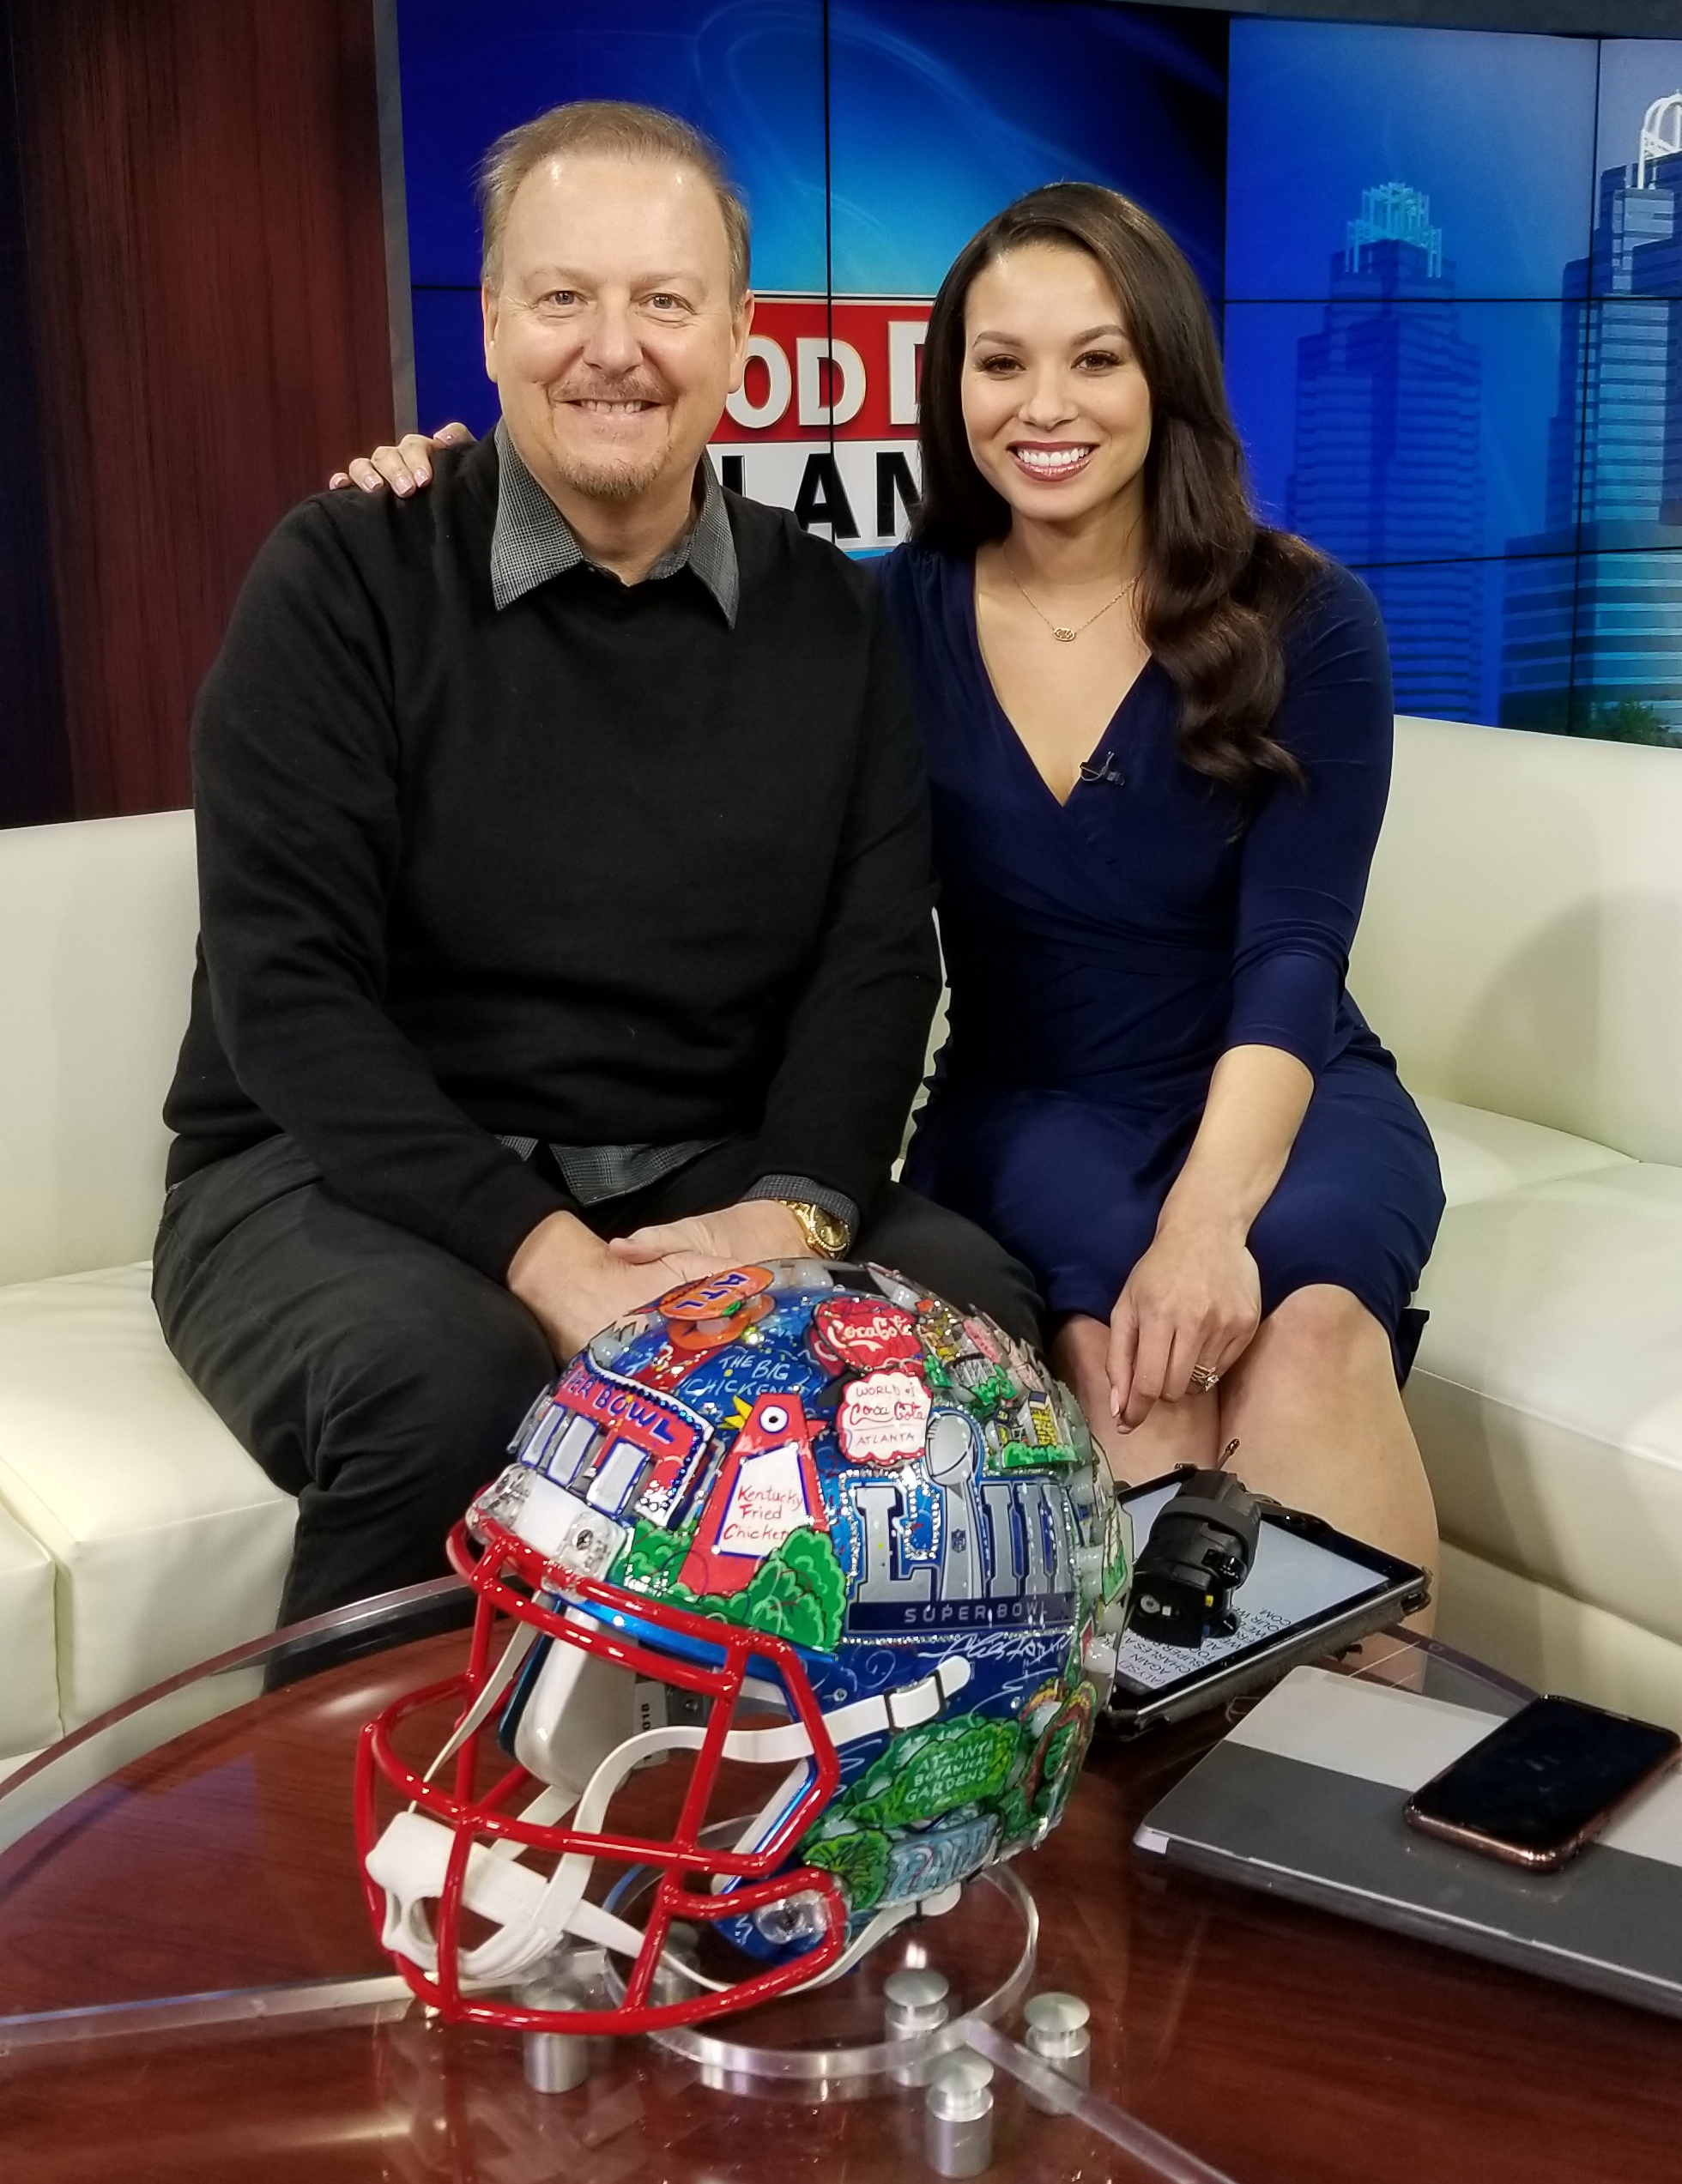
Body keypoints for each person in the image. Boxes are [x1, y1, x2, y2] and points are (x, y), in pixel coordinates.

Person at [344, 182, 1443, 1587]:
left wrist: (1208, 1223)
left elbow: (1296, 949)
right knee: (1128, 1371)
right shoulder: (871, 617)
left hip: (1281, 1095)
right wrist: (451, 484)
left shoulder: (1308, 619)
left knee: (1315, 1332)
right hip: (1031, 1108)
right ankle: (1156, 1769)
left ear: (1165, 373)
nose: (1046, 405)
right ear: (954, 386)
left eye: (1097, 358)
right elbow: (619, 595)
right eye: (1002, 363)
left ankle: (1352, 1789)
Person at [154, 100, 1037, 1631]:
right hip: (332, 1177)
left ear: (742, 336)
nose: (611, 346)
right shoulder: (344, 577)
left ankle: (812, 1823)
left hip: (692, 1160)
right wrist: (544, 1257)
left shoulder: (832, 617)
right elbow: (288, 995)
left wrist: (791, 1222)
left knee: (966, 1327)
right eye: (562, 296)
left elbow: (880, 958)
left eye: (665, 301)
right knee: (455, 1383)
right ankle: (362, 1855)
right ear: (492, 320)